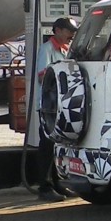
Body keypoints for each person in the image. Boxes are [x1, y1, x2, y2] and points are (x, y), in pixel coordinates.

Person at [36, 17, 78, 202]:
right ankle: (44, 187)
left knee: (58, 145)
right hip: (49, 107)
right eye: (68, 31)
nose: (71, 35)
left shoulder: (66, 50)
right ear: (58, 30)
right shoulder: (47, 50)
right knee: (47, 146)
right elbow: (42, 77)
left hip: (61, 106)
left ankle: (57, 182)